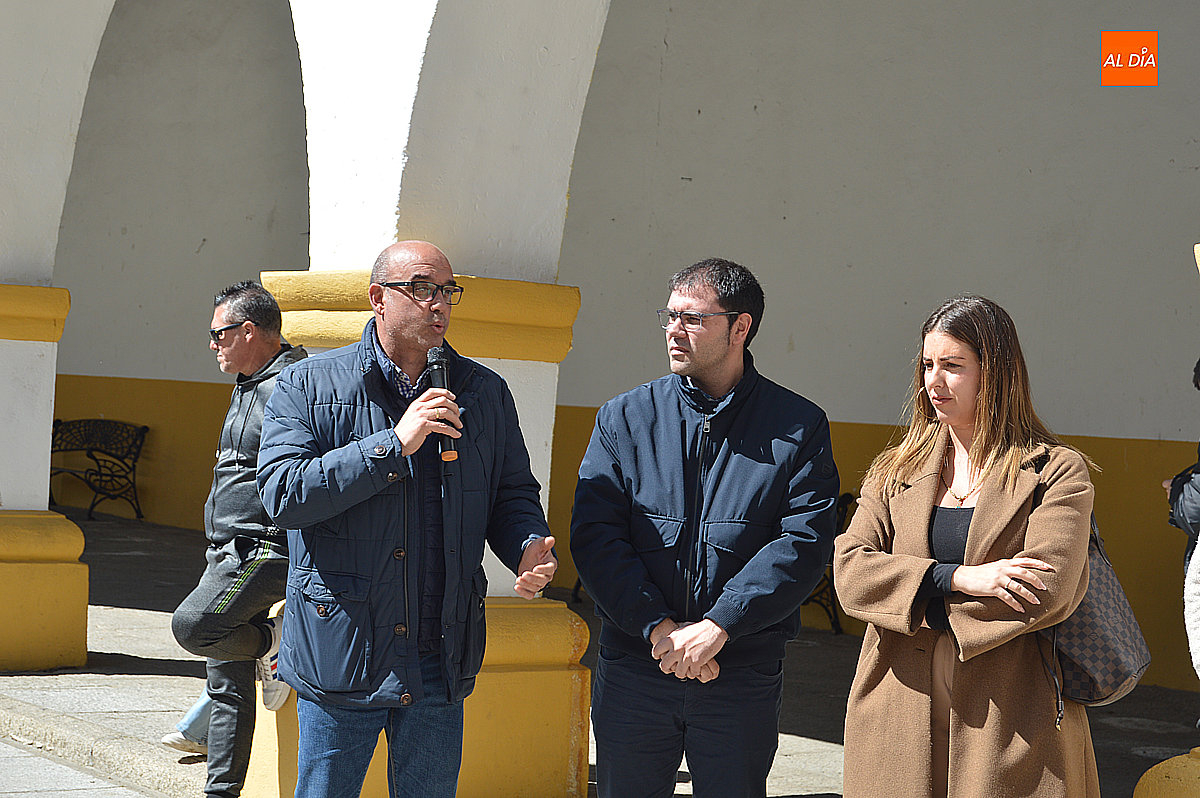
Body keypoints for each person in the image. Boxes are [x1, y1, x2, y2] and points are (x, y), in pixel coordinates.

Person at [256, 240, 557, 798]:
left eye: (446, 291)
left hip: (440, 650)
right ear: (378, 298)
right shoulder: (308, 383)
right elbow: (284, 494)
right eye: (420, 289)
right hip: (344, 646)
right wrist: (393, 445)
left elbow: (510, 492)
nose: (437, 303)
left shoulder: (483, 392)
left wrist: (527, 544)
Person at [570, 257, 840, 798]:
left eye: (693, 319)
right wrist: (658, 629)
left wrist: (720, 626)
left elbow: (804, 542)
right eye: (670, 316)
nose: (674, 330)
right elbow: (596, 535)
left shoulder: (798, 425)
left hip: (739, 673)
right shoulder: (624, 417)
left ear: (741, 327)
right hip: (637, 667)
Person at [833, 294, 1099, 798]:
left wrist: (912, 599)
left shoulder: (1055, 471)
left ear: (995, 374)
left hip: (1011, 709)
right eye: (927, 365)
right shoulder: (895, 469)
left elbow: (1046, 588)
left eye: (952, 366)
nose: (933, 382)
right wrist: (958, 578)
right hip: (898, 701)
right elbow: (850, 573)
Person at [170, 281, 308, 797]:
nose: (212, 344)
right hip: (226, 549)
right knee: (225, 686)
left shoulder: (294, 383)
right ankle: (221, 792)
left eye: (219, 334)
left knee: (195, 627)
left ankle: (272, 642)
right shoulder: (250, 381)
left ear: (249, 331)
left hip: (262, 550)